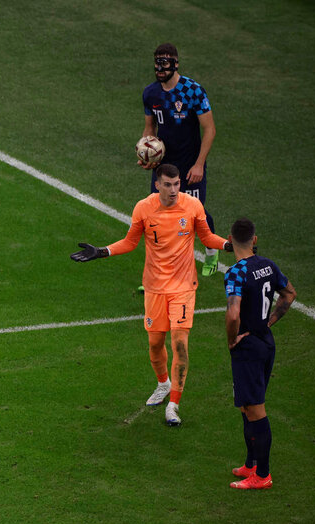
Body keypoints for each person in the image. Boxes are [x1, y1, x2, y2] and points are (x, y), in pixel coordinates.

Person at [71, 164, 231, 426]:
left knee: (179, 343)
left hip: (183, 287)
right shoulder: (143, 208)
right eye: (167, 185)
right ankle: (163, 384)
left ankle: (173, 406)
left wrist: (227, 245)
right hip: (155, 288)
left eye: (177, 184)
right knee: (155, 344)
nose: (173, 190)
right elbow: (130, 242)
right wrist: (102, 251)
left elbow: (207, 237)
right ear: (157, 185)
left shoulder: (192, 207)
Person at [224, 218, 296, 489]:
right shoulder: (267, 264)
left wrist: (232, 340)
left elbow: (233, 314)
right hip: (266, 342)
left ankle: (262, 475)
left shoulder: (236, 272)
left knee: (255, 410)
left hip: (248, 348)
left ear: (230, 240)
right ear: (254, 239)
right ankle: (250, 464)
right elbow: (289, 294)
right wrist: (269, 322)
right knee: (247, 405)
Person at [139, 42, 220, 277]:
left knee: (197, 214)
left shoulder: (193, 91)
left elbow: (210, 130)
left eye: (164, 63)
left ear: (175, 64)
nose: (159, 68)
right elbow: (149, 128)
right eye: (157, 63)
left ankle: (211, 252)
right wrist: (147, 153)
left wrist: (199, 164)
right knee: (158, 215)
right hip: (164, 166)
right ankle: (160, 269)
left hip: (189, 165)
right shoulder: (150, 93)